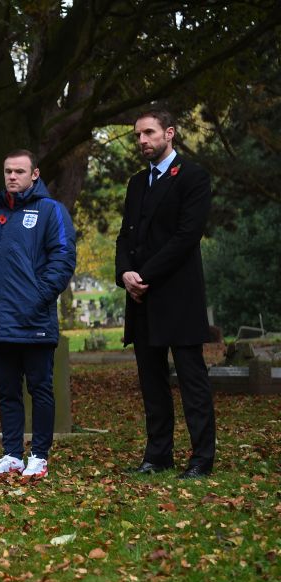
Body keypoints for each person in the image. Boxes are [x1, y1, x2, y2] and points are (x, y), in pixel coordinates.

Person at [115, 108, 216, 479]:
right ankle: (158, 455)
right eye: (138, 135)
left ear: (169, 133)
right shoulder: (136, 184)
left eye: (149, 133)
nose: (142, 140)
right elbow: (125, 236)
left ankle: (202, 458)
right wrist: (124, 273)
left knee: (192, 382)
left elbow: (186, 237)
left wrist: (143, 274)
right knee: (152, 383)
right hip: (140, 298)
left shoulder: (192, 177)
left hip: (177, 295)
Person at [0, 149, 76, 479]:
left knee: (40, 389)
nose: (12, 177)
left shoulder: (51, 211)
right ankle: (12, 454)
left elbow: (62, 260)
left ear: (35, 174)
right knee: (7, 391)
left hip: (34, 320)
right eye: (7, 171)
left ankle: (39, 456)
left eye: (19, 171)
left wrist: (37, 298)